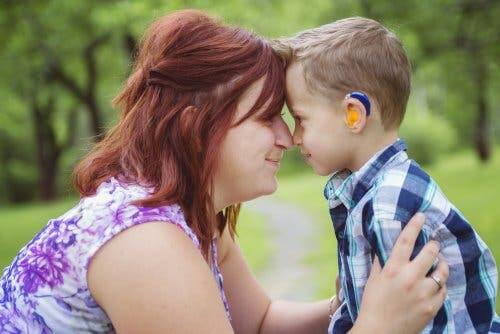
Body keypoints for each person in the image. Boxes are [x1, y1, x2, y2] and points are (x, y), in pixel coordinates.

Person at [0, 11, 449, 333]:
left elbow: (259, 322)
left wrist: (351, 305)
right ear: (200, 127)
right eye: (267, 116)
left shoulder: (194, 214)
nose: (287, 138)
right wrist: (378, 327)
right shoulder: (146, 244)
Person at [275, 17, 500, 333]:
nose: (295, 137)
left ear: (354, 114)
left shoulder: (389, 204)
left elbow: (420, 317)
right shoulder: (376, 191)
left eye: (301, 119)